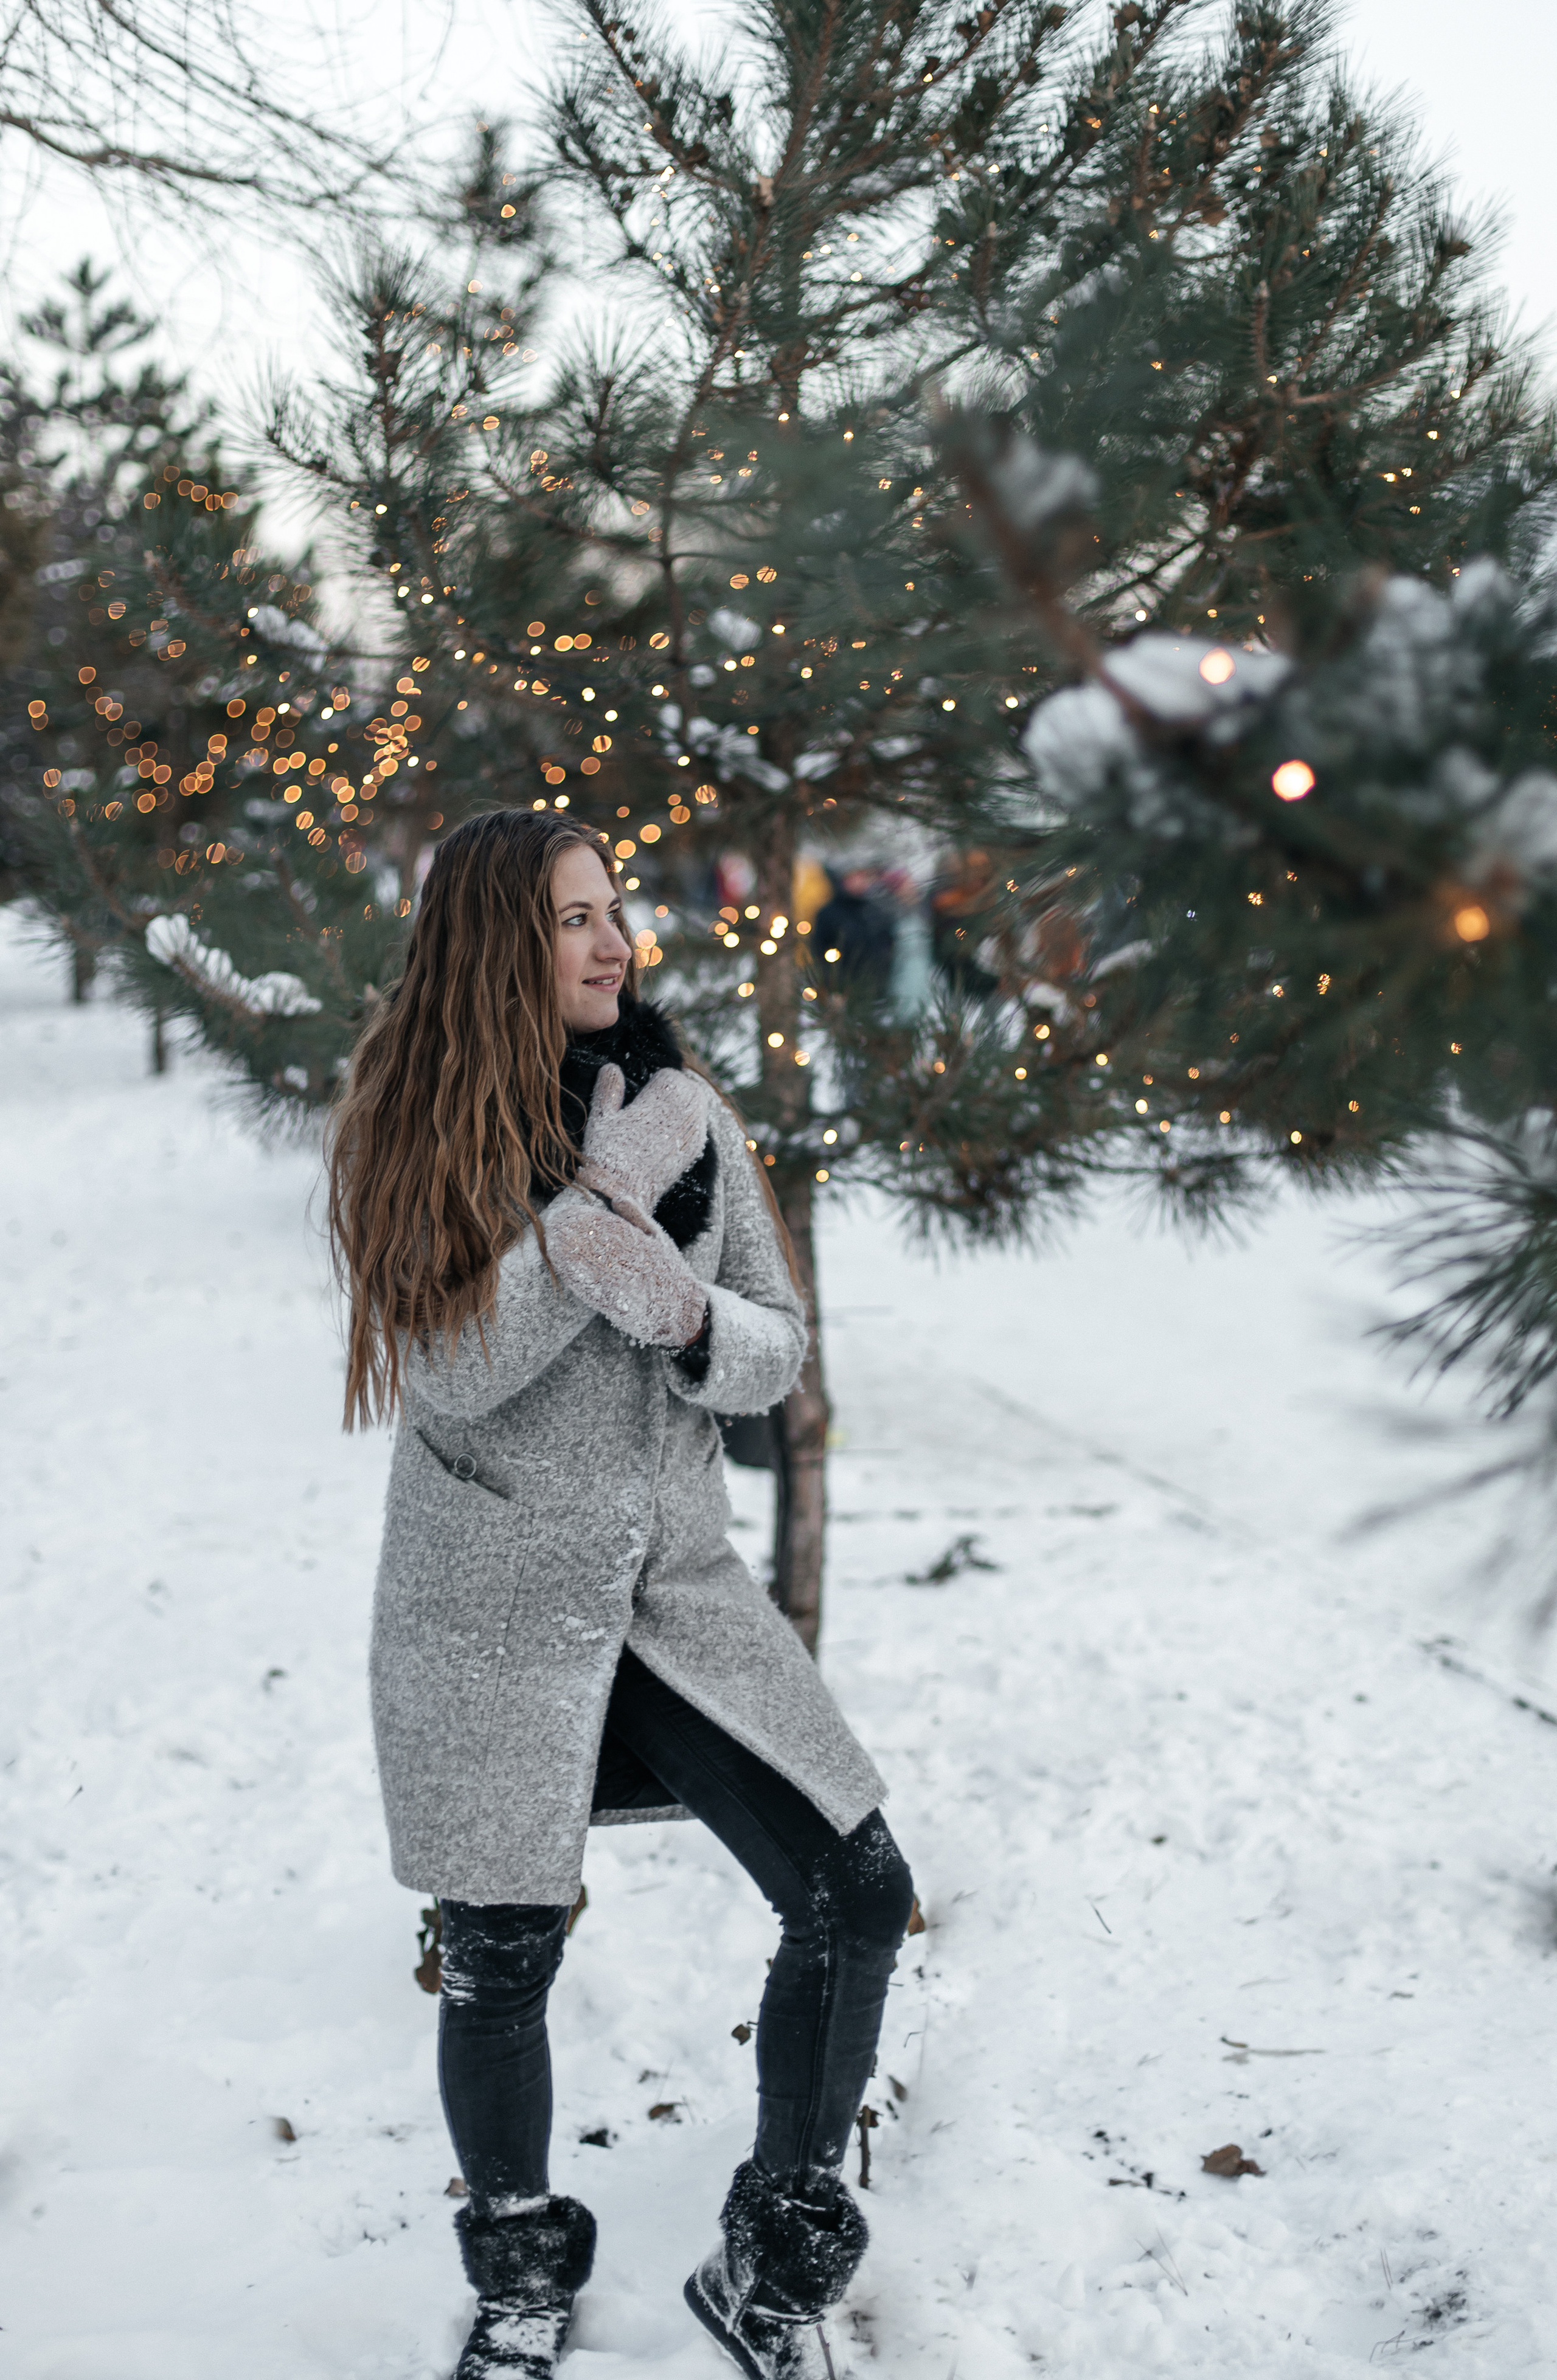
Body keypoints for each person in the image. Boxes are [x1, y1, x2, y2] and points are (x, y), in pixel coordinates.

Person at [327, 809, 914, 2380]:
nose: (614, 942)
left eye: (615, 909)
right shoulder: (409, 1122)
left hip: (677, 1590)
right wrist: (594, 1222)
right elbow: (449, 1365)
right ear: (490, 948)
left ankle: (773, 2261)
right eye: (572, 918)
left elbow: (778, 1346)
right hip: (492, 1602)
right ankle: (519, 2264)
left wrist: (691, 1312)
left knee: (854, 1890)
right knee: (503, 1951)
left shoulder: (683, 1112)